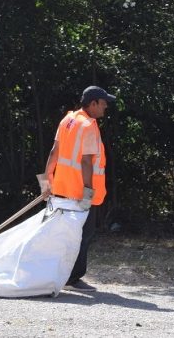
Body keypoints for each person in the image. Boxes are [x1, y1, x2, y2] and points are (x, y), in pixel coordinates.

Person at [41, 85, 115, 291]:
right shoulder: (89, 125)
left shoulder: (67, 120)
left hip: (60, 190)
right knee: (84, 234)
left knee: (60, 235)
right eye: (103, 103)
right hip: (79, 193)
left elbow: (54, 152)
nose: (106, 106)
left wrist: (45, 185)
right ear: (92, 104)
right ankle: (72, 279)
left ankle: (59, 274)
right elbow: (85, 162)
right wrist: (88, 193)